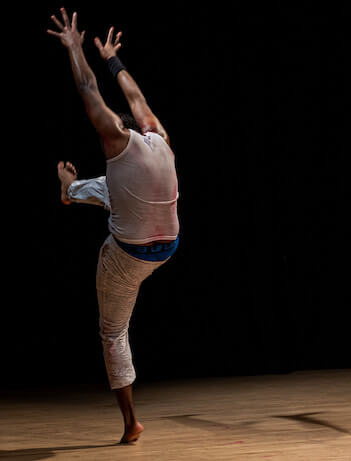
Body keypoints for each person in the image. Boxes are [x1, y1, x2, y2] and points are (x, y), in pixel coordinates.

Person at [49, 8, 180, 443]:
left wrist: (74, 48)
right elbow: (137, 96)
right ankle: (73, 188)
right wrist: (112, 59)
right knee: (111, 191)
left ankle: (130, 424)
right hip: (168, 245)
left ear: (115, 133)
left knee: (112, 333)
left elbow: (88, 91)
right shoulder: (159, 138)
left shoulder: (116, 141)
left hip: (129, 256)